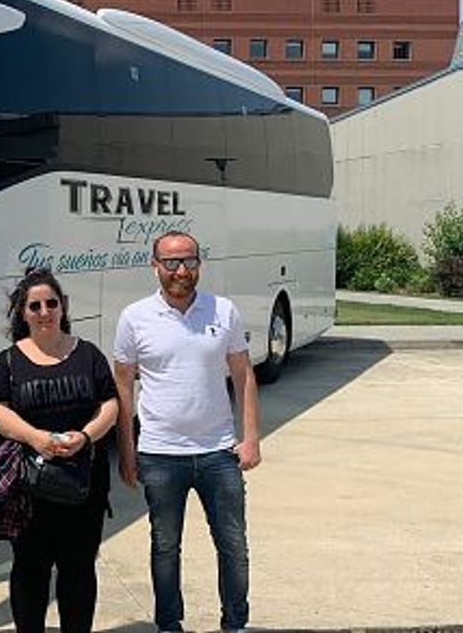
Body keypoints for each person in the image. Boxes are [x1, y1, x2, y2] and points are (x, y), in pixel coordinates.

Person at [113, 231, 262, 633]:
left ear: (199, 263)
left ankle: (235, 624)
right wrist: (127, 450)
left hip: (219, 452)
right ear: (155, 266)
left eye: (189, 261)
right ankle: (169, 624)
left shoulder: (223, 311)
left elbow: (243, 374)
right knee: (165, 547)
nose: (181, 270)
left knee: (233, 545)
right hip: (160, 454)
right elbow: (123, 386)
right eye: (171, 262)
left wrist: (250, 437)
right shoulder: (134, 317)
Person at [0, 268, 119, 633]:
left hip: (83, 485)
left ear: (63, 307)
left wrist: (86, 436)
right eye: (35, 306)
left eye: (51, 304)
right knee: (30, 569)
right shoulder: (8, 361)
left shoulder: (88, 354)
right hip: (29, 489)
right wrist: (34, 437)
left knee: (79, 568)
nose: (45, 312)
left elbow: (110, 403)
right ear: (22, 313)